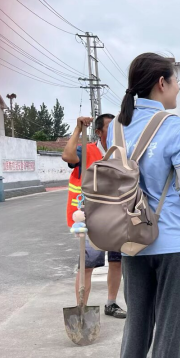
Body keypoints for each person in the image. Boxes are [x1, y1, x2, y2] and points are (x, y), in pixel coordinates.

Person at [101, 52, 180, 358]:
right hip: (174, 240)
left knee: (138, 320)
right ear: (162, 82)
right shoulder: (173, 126)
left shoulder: (116, 127)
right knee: (171, 326)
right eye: (177, 81)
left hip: (131, 238)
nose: (177, 88)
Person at [62, 114, 126, 319]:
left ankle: (111, 303)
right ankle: (81, 308)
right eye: (110, 127)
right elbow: (68, 156)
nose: (116, 131)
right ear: (98, 132)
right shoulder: (87, 150)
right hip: (91, 219)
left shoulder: (121, 153)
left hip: (116, 217)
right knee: (87, 265)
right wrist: (77, 129)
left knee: (117, 261)